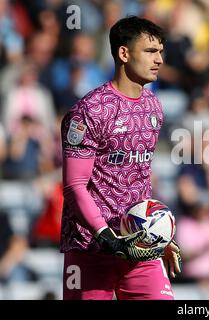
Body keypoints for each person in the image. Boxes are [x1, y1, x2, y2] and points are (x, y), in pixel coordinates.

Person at [60, 16, 181, 300]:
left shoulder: (153, 106)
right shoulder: (89, 111)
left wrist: (157, 234)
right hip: (91, 247)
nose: (159, 60)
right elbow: (74, 185)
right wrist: (105, 235)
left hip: (139, 246)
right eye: (150, 51)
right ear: (123, 54)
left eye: (161, 52)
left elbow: (139, 176)